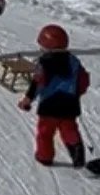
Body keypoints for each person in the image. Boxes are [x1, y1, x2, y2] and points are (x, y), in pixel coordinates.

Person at [18, 24, 91, 167]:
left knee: (45, 131)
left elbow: (38, 83)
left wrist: (27, 100)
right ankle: (76, 148)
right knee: (69, 128)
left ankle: (44, 156)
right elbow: (83, 81)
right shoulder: (74, 61)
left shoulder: (44, 63)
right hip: (70, 103)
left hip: (49, 104)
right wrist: (76, 93)